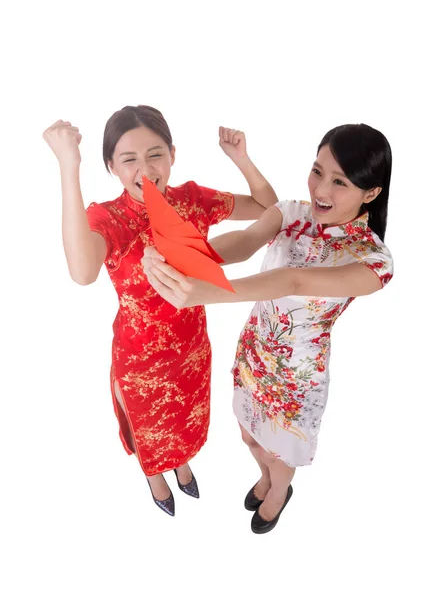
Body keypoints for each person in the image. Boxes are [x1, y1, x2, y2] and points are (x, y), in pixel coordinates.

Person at [142, 123, 394, 532]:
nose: (321, 191)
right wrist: (182, 258)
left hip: (296, 378)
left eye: (339, 182)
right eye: (317, 172)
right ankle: (264, 477)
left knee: (279, 453)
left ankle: (278, 491)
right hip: (254, 352)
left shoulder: (374, 261)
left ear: (371, 193)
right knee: (248, 436)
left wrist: (205, 292)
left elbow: (294, 280)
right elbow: (243, 241)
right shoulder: (292, 211)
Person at [42, 105, 278, 516]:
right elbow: (82, 273)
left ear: (172, 154)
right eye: (129, 159)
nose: (145, 168)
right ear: (111, 166)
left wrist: (240, 158)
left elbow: (266, 208)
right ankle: (154, 474)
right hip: (140, 358)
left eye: (155, 154)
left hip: (190, 349)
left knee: (183, 423)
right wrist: (68, 165)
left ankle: (181, 464)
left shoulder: (192, 200)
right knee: (150, 430)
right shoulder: (108, 218)